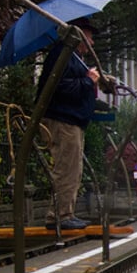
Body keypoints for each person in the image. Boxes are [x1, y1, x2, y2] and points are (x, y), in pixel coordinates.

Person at [39, 17, 101, 230]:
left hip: (72, 119)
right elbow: (60, 87)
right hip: (63, 120)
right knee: (66, 166)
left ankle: (66, 212)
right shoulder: (62, 55)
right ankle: (59, 215)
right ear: (79, 36)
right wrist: (88, 81)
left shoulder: (73, 58)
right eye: (89, 37)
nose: (92, 43)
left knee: (73, 168)